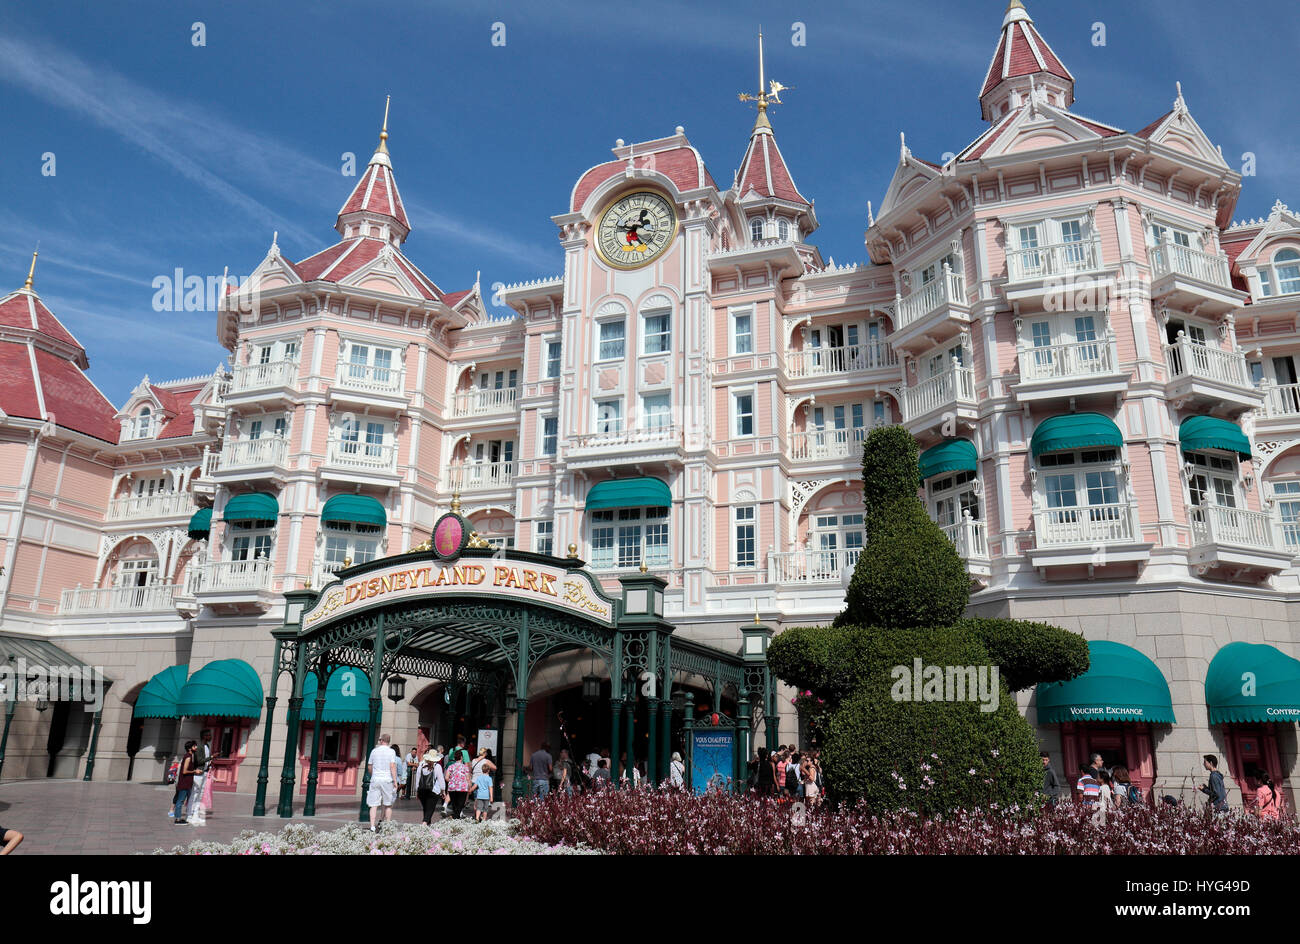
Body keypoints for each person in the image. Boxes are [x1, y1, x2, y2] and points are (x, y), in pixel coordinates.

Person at [366, 733, 399, 832]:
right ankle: (387, 825)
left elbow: (369, 766)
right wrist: (395, 780)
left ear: (381, 740)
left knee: (374, 804)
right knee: (388, 804)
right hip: (387, 779)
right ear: (388, 741)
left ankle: (372, 826)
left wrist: (373, 774)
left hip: (376, 779)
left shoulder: (374, 751)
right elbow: (392, 766)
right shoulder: (391, 752)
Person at [187, 729, 212, 824]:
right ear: (204, 736)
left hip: (205, 772)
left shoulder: (207, 746)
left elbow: (205, 761)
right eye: (209, 735)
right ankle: (189, 814)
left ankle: (195, 814)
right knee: (195, 793)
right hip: (198, 773)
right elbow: (199, 761)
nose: (210, 737)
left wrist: (210, 763)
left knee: (200, 794)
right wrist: (211, 757)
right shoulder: (199, 746)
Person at [415, 749, 445, 825]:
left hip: (422, 790)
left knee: (426, 808)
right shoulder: (437, 766)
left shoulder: (421, 765)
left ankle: (428, 826)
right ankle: (424, 824)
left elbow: (417, 779)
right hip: (433, 791)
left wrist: (417, 791)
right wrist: (443, 790)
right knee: (430, 809)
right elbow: (441, 780)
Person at [173, 741, 198, 824]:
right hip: (184, 782)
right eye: (194, 746)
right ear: (190, 748)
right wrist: (194, 771)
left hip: (187, 782)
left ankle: (179, 818)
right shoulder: (188, 757)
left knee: (182, 800)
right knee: (180, 801)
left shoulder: (191, 756)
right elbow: (184, 771)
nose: (196, 748)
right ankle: (177, 819)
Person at [445, 750, 472, 818]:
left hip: (452, 788)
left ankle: (455, 818)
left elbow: (446, 777)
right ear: (461, 757)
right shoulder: (465, 767)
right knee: (460, 805)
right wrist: (469, 787)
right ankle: (455, 818)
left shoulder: (451, 766)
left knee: (454, 805)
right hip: (462, 788)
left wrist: (452, 781)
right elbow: (468, 778)